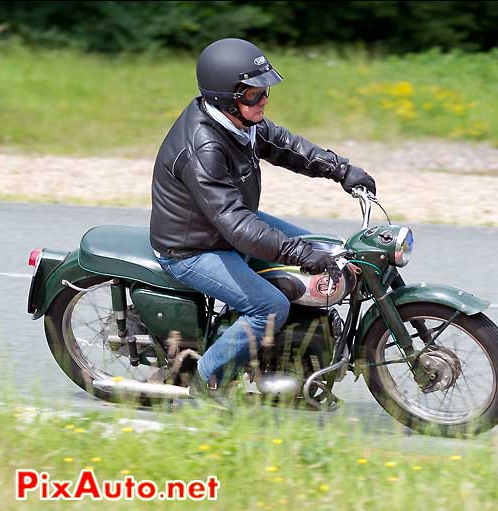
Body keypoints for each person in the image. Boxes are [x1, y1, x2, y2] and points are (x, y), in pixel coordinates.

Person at [149, 38, 376, 400]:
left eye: (265, 89)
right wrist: (298, 253)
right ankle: (207, 384)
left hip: (228, 228)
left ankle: (299, 352)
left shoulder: (240, 122)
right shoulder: (204, 145)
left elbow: (287, 146)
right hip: (192, 248)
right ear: (227, 96)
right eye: (254, 93)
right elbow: (236, 223)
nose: (265, 98)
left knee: (328, 249)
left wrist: (341, 169)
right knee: (269, 306)